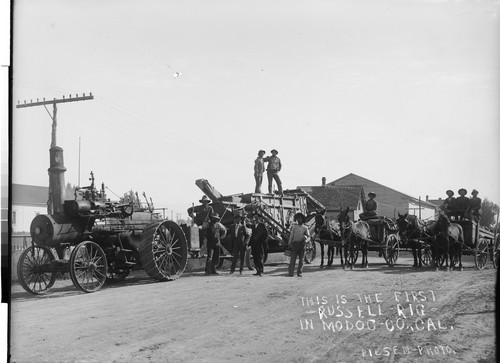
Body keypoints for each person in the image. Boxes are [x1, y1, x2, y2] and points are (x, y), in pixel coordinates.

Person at [287, 213, 310, 277]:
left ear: (302, 219)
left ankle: (299, 272)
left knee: (301, 260)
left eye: (300, 219)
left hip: (302, 245)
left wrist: (306, 240)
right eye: (298, 219)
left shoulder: (305, 228)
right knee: (292, 260)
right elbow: (291, 236)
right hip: (295, 244)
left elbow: (309, 237)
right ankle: (291, 273)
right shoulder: (294, 227)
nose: (299, 220)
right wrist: (289, 244)